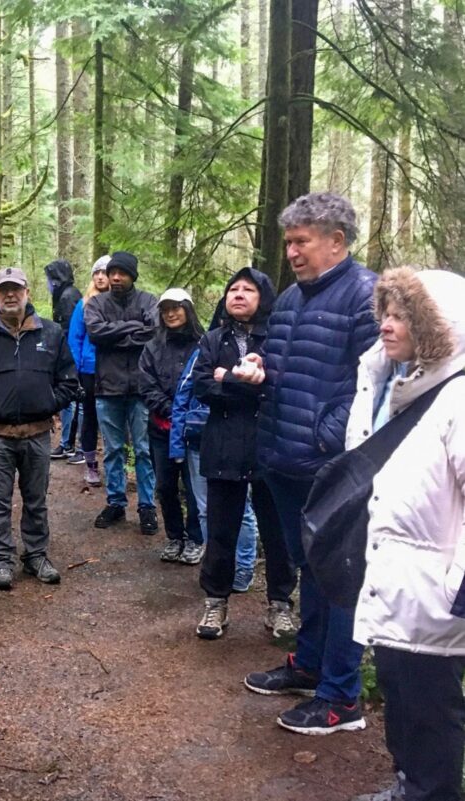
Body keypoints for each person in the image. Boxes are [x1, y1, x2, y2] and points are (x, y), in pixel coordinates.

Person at [243, 192, 379, 735]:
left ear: (336, 242)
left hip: (332, 465)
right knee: (310, 568)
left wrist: (327, 436)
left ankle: (342, 698)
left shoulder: (365, 297)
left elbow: (377, 383)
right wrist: (258, 363)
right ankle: (310, 665)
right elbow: (284, 365)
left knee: (340, 576)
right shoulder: (293, 301)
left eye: (302, 242)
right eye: (289, 243)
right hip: (282, 456)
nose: (293, 253)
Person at [345, 268, 465, 801]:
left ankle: (429, 791)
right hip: (399, 585)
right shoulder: (410, 390)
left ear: (438, 326)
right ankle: (410, 785)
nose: (386, 327)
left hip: (434, 593)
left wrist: (455, 589)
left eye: (402, 316)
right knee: (403, 697)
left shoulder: (457, 402)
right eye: (385, 315)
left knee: (429, 709)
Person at [190, 268, 297, 641]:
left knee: (277, 531)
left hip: (271, 445)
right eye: (233, 288)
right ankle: (216, 602)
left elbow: (281, 387)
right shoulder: (213, 338)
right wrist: (243, 382)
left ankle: (280, 605)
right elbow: (201, 386)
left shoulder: (279, 338)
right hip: (223, 445)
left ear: (263, 297)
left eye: (248, 289)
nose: (238, 294)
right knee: (221, 530)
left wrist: (228, 378)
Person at [0, 266, 81, 590]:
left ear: (27, 292)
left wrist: (49, 402)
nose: (10, 295)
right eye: (3, 290)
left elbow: (69, 379)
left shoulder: (51, 333)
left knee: (36, 498)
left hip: (38, 433)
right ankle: (1, 560)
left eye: (16, 289)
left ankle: (36, 555)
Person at [83, 251, 159, 533]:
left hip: (141, 388)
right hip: (108, 387)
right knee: (113, 449)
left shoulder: (149, 301)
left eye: (122, 273)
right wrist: (132, 329)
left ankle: (147, 506)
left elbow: (153, 331)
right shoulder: (97, 303)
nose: (115, 277)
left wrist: (114, 333)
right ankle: (115, 502)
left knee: (143, 450)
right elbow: (95, 333)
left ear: (132, 276)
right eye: (112, 272)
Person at [170, 347, 261, 577]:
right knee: (204, 509)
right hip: (198, 440)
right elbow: (185, 393)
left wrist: (227, 380)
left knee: (243, 511)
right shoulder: (205, 350)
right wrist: (177, 443)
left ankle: (243, 569)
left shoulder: (257, 351)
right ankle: (217, 568)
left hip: (241, 441)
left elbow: (259, 394)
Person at [137, 288, 204, 563]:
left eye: (176, 308)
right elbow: (146, 385)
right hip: (161, 429)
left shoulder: (203, 345)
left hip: (194, 431)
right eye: (165, 310)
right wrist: (172, 411)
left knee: (194, 487)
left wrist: (186, 415)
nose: (171, 314)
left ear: (187, 310)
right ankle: (174, 536)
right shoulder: (152, 347)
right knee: (165, 487)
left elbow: (205, 381)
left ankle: (195, 538)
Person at [67, 256, 111, 486]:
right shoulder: (83, 303)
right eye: (97, 273)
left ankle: (116, 466)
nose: (100, 277)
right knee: (90, 416)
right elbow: (75, 338)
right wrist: (74, 370)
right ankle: (91, 465)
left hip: (114, 369)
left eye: (105, 272)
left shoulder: (118, 302)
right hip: (89, 368)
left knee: (113, 418)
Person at [45, 259, 85, 463]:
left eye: (50, 278)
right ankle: (68, 443)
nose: (47, 283)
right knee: (70, 402)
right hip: (65, 352)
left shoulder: (68, 296)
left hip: (69, 354)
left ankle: (70, 444)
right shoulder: (64, 294)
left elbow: (70, 329)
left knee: (72, 401)